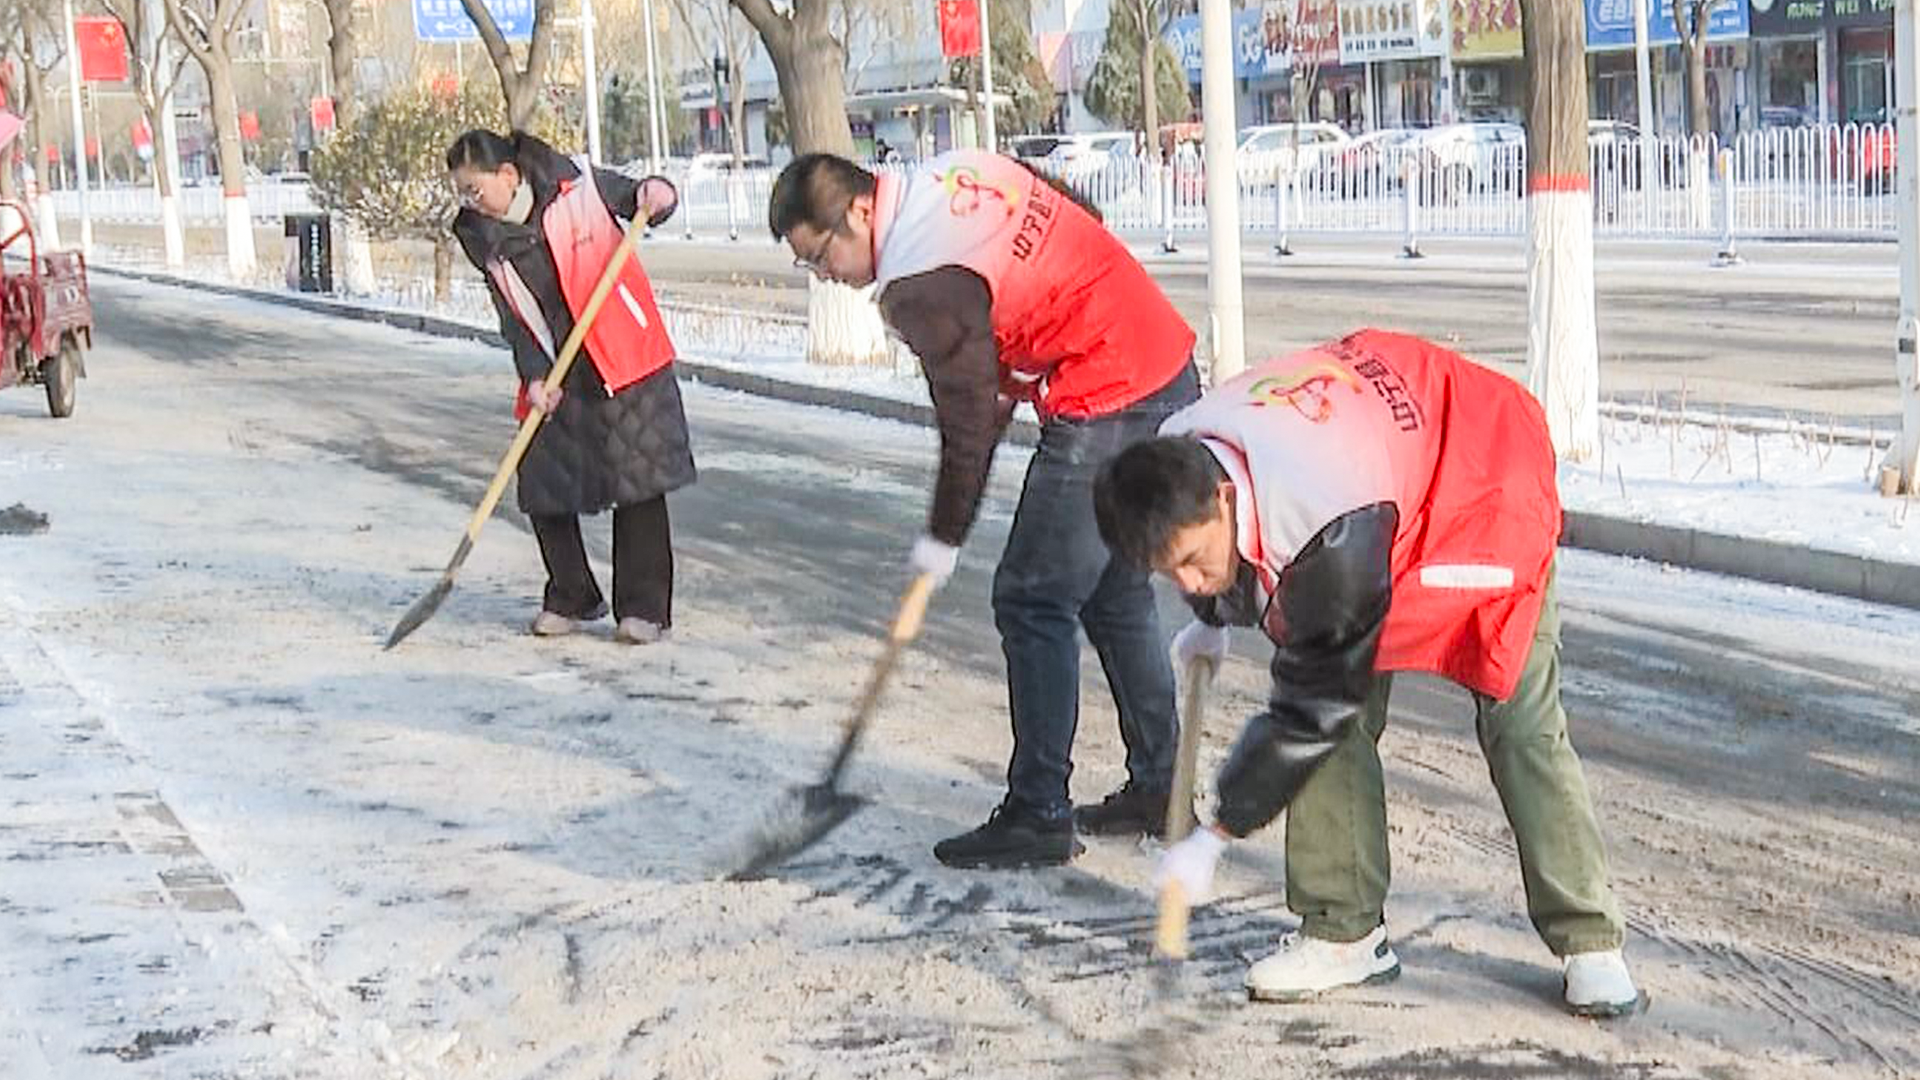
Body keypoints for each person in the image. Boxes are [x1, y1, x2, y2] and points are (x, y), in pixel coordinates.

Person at [1092, 329, 1643, 1017]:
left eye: (1196, 562)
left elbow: (1310, 708)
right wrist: (1210, 611)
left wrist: (1216, 835)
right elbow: (1215, 562)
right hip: (1387, 470)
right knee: (1339, 722)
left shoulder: (1327, 520)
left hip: (1480, 485)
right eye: (1167, 572)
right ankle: (1342, 930)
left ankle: (1589, 939)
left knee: (1517, 723)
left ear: (1225, 501)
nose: (1185, 579)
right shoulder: (1177, 455)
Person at [767, 150, 1200, 870]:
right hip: (1159, 359)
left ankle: (1038, 813)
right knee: (1113, 594)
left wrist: (943, 537)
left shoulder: (918, 282)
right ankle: (1163, 788)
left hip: (1109, 386)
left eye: (821, 255)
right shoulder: (957, 172)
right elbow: (1065, 210)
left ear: (861, 211)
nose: (826, 276)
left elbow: (967, 420)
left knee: (1032, 597)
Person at [448, 129, 695, 644]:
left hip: (620, 349)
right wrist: (534, 375)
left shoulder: (576, 185)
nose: (469, 201)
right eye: (461, 192)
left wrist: (657, 192)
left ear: (508, 176)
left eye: (474, 189)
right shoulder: (485, 242)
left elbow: (639, 197)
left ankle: (644, 608)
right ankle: (572, 593)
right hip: (554, 360)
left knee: (638, 477)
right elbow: (512, 317)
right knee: (541, 483)